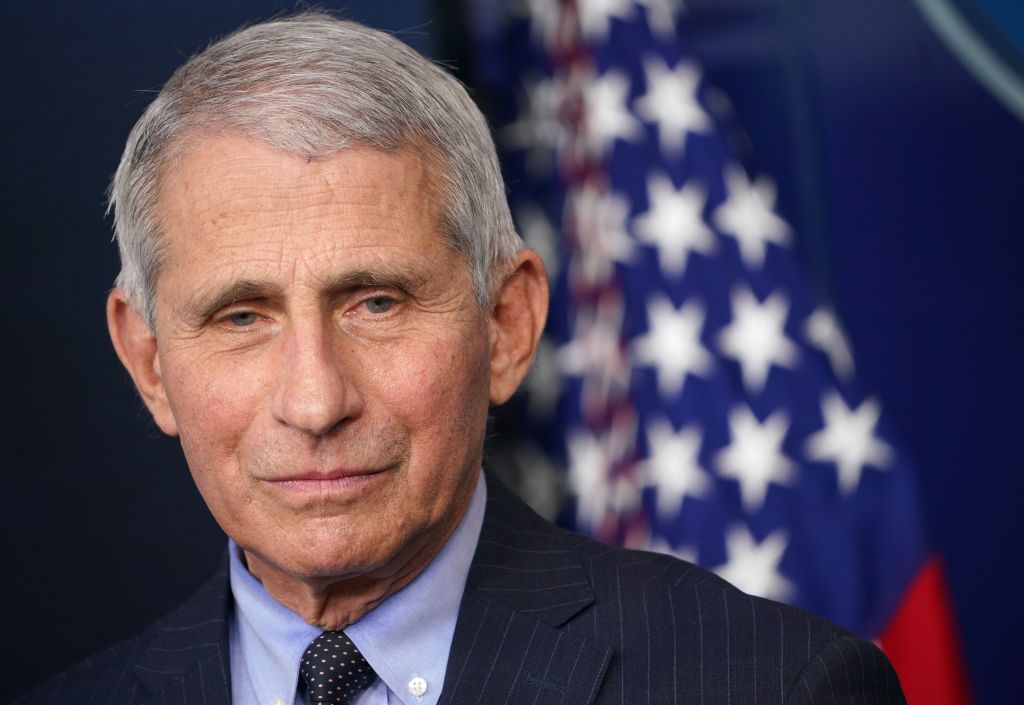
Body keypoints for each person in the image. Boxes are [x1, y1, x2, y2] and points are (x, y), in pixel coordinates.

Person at [14, 11, 904, 705]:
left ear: (508, 324)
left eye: (377, 303)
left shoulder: (771, 684)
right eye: (242, 317)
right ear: (149, 361)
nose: (316, 401)